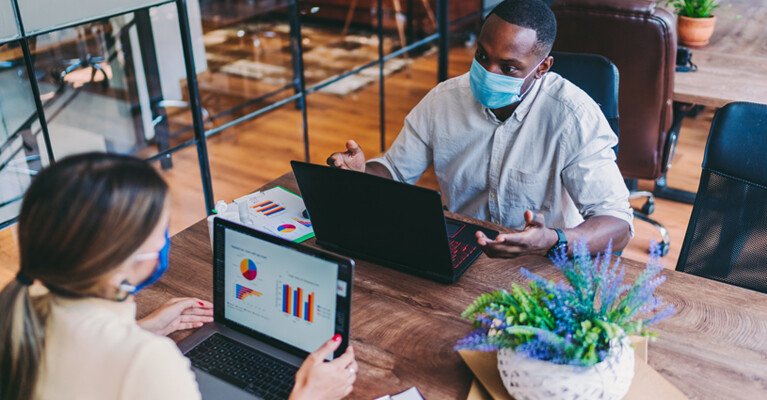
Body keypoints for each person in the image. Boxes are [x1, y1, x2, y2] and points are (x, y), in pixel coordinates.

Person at [0, 153, 357, 400]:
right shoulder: (149, 363)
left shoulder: (25, 308)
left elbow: (85, 362)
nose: (166, 237)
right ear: (126, 258)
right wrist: (307, 395)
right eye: (160, 229)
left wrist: (145, 327)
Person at [328, 0, 632, 258]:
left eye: (508, 67)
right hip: (461, 250)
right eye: (482, 56)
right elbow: (394, 171)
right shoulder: (443, 100)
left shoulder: (573, 116)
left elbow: (618, 225)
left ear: (543, 67)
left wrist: (552, 240)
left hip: (545, 262)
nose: (488, 73)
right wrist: (361, 174)